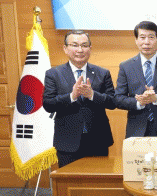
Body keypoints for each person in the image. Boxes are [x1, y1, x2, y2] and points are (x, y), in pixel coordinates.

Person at [42, 30, 115, 168]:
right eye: (74, 45)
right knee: (69, 180)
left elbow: (112, 102)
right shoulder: (53, 74)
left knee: (98, 178)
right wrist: (72, 96)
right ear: (65, 48)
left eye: (84, 45)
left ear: (90, 48)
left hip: (98, 141)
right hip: (67, 142)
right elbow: (48, 104)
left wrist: (92, 95)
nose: (80, 50)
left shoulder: (102, 73)